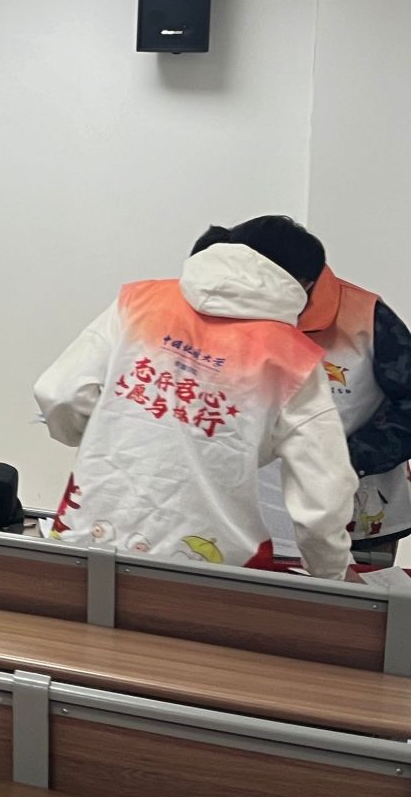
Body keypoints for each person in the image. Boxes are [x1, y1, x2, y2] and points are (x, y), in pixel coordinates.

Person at [35, 215, 356, 582]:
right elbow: (324, 494)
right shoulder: (293, 357)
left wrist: (101, 434)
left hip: (91, 532)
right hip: (212, 567)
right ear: (305, 284)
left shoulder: (140, 301)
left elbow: (58, 393)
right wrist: (331, 575)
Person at [257, 252, 411, 566]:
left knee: (353, 595)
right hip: (253, 510)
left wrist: (346, 459)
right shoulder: (230, 312)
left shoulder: (367, 316)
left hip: (358, 510)